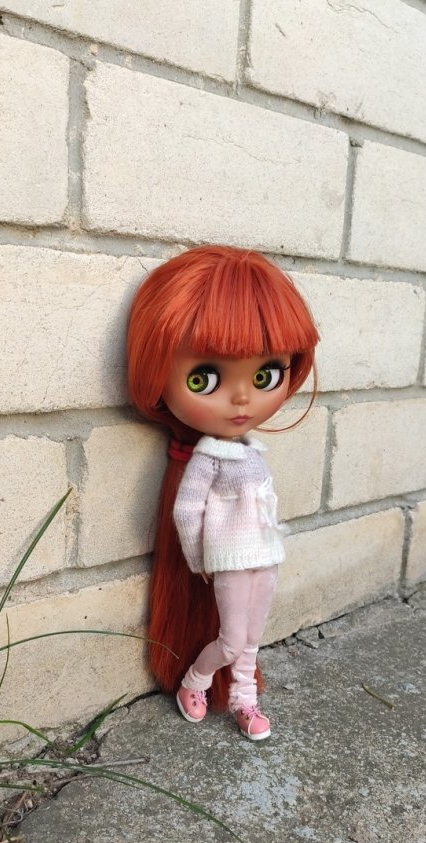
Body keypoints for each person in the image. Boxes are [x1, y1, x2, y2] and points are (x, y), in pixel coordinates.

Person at [125, 245, 319, 740]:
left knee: (252, 639)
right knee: (232, 640)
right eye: (204, 378)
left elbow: (264, 501)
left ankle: (244, 700)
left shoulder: (252, 449)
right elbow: (187, 511)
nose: (243, 397)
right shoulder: (208, 457)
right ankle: (194, 682)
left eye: (265, 375)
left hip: (264, 556)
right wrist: (199, 559)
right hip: (227, 560)